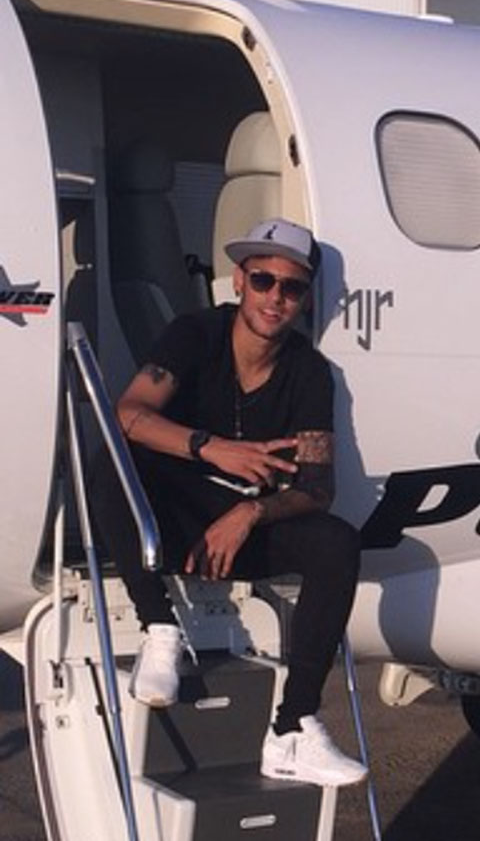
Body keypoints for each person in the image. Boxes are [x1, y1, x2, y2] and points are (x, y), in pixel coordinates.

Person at [90, 217, 367, 787]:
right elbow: (128, 414)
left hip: (240, 528)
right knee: (111, 458)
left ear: (304, 298)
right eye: (263, 280)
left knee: (336, 542)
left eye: (292, 287)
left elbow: (318, 488)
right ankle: (159, 627)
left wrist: (249, 513)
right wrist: (212, 448)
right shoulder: (196, 335)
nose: (275, 298)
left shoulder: (309, 371)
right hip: (173, 517)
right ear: (239, 280)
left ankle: (293, 728)